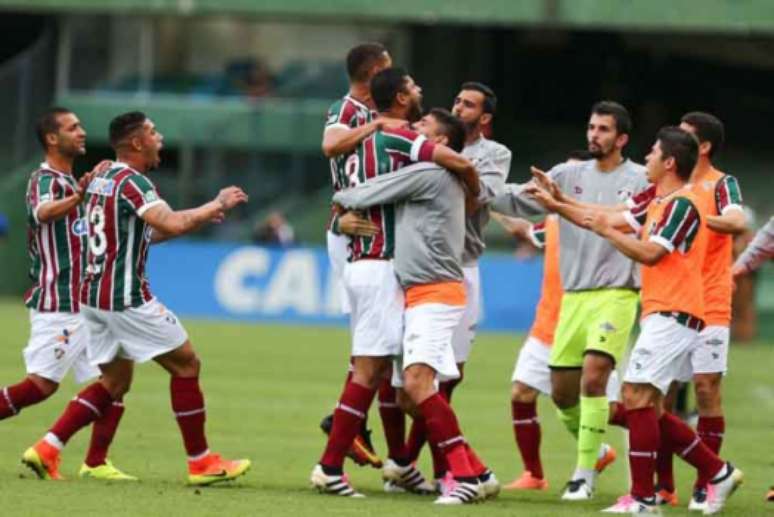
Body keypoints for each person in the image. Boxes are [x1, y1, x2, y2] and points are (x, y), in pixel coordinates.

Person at [22, 111, 251, 487]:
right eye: (153, 132)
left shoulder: (101, 179)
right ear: (137, 143)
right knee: (186, 365)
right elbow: (172, 222)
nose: (160, 138)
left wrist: (197, 217)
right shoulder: (133, 182)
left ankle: (48, 447)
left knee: (114, 382)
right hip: (125, 298)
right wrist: (218, 203)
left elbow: (142, 234)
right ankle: (201, 461)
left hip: (92, 298)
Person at [309, 68, 479, 498]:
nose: (420, 91)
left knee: (386, 371)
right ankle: (333, 464)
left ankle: (402, 462)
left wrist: (340, 219)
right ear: (401, 98)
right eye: (414, 87)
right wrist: (471, 188)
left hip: (369, 262)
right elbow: (455, 159)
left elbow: (341, 189)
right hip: (381, 263)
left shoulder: (358, 141)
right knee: (372, 369)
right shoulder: (399, 137)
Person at [580, 126, 742, 514]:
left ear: (669, 162)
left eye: (653, 152)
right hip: (661, 312)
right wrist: (558, 204)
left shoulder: (684, 205)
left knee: (635, 398)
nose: (647, 158)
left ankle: (643, 498)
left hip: (675, 313)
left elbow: (651, 254)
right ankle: (717, 473)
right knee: (648, 407)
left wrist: (606, 233)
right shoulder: (660, 202)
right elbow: (613, 220)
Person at [491, 101, 647, 500]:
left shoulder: (643, 180)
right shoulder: (565, 174)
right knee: (562, 394)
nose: (594, 134)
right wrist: (477, 188)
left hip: (617, 293)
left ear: (622, 138)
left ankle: (584, 475)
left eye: (604, 129)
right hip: (573, 299)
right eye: (591, 127)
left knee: (594, 377)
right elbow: (522, 203)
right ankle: (660, 437)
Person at [0, 107, 134, 481]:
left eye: (81, 125)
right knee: (40, 386)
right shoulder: (45, 180)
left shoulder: (76, 184)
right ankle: (54, 450)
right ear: (51, 139)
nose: (82, 132)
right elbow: (42, 212)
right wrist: (78, 197)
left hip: (88, 300)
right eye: (72, 127)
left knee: (118, 377)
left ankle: (95, 462)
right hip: (59, 301)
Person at [402, 82, 511, 490]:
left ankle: (434, 468)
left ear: (484, 119)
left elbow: (475, 200)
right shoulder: (422, 142)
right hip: (414, 265)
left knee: (447, 379)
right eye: (457, 101)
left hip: (460, 265)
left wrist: (450, 162)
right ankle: (439, 464)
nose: (459, 107)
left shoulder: (494, 155)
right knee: (406, 381)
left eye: (469, 105)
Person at [318, 42, 397, 470]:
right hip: (354, 230)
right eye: (388, 65)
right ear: (374, 72)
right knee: (372, 339)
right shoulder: (347, 109)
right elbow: (331, 145)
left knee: (380, 341)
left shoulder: (381, 111)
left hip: (374, 229)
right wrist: (375, 125)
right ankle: (345, 424)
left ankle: (350, 423)